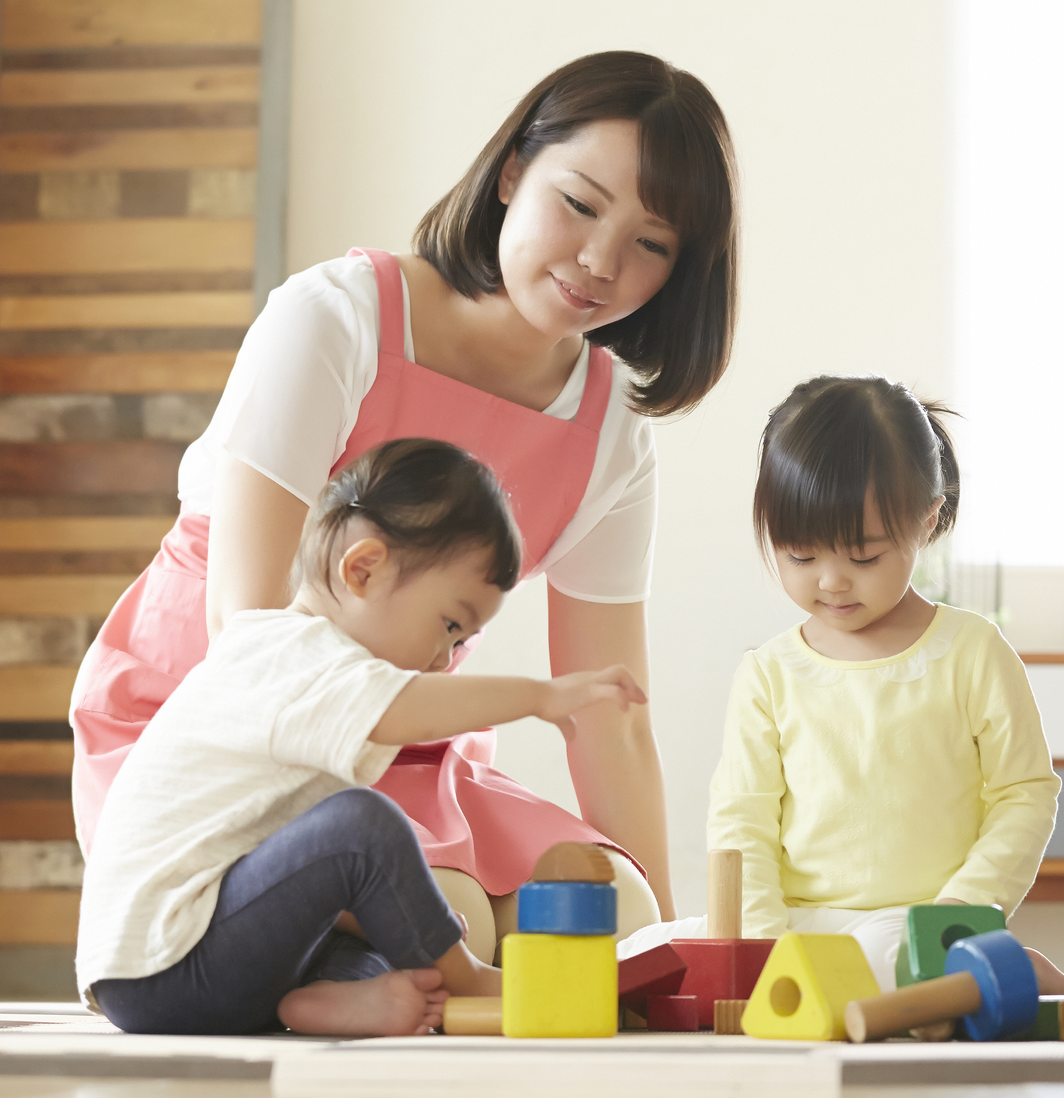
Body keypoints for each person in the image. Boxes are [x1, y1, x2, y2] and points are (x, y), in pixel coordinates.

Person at [69, 51, 737, 958]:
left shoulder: (611, 432)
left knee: (609, 907)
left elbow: (611, 715)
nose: (599, 261)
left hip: (409, 739)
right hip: (215, 722)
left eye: (650, 244)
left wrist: (664, 946)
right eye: (580, 204)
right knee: (447, 916)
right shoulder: (337, 318)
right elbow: (245, 635)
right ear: (512, 172)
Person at [78, 439, 646, 1036]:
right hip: (165, 965)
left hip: (199, 964)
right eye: (449, 625)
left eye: (459, 642)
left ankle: (340, 997)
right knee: (364, 823)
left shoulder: (297, 673)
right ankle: (469, 978)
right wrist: (539, 696)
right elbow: (406, 711)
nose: (444, 659)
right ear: (364, 570)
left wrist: (403, 914)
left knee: (372, 919)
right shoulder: (288, 654)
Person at [619, 376, 1064, 993]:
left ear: (926, 520)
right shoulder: (769, 673)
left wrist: (960, 913)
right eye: (801, 556)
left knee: (886, 963)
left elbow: (1024, 794)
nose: (832, 582)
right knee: (641, 953)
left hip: (910, 924)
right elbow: (741, 823)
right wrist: (762, 950)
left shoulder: (973, 652)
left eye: (863, 558)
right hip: (794, 925)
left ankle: (1004, 969)